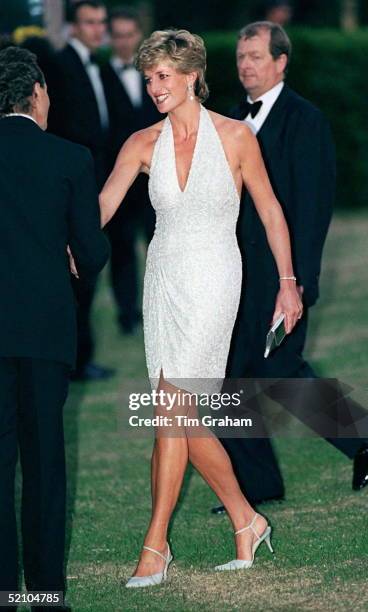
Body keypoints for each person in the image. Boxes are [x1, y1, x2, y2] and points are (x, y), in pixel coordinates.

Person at [99, 28, 302, 587]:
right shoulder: (141, 143)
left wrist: (288, 283)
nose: (154, 87)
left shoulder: (236, 137)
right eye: (148, 78)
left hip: (216, 276)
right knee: (180, 415)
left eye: (163, 76)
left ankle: (155, 545)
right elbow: (102, 207)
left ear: (191, 76)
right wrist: (53, 237)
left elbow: (270, 211)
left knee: (172, 408)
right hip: (163, 279)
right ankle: (246, 519)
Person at [211, 21, 368, 515]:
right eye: (241, 57)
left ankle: (362, 443)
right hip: (239, 279)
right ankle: (258, 484)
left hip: (284, 280)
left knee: (280, 368)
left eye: (256, 56)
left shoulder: (306, 121)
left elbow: (313, 209)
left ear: (281, 62)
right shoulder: (233, 120)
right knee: (231, 378)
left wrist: (298, 282)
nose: (245, 65)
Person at [0, 47, 109, 611]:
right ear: (37, 94)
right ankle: (44, 595)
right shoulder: (70, 157)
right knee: (43, 466)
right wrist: (73, 253)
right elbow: (91, 252)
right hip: (44, 333)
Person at [48, 0, 114, 381]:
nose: (97, 30)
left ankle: (81, 356)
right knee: (78, 276)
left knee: (86, 275)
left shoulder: (98, 66)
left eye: (101, 23)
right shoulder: (60, 67)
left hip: (96, 186)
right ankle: (74, 359)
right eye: (90, 23)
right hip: (74, 190)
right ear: (73, 26)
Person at [102, 7, 160, 334]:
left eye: (129, 35)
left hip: (154, 179)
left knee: (160, 246)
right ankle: (127, 314)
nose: (124, 42)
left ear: (138, 36)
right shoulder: (99, 76)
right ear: (111, 38)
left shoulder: (153, 76)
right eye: (118, 35)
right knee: (122, 249)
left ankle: (159, 308)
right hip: (120, 181)